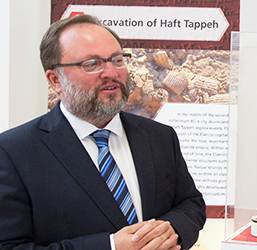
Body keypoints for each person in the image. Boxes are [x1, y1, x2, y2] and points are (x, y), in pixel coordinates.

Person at [0, 14, 206, 250]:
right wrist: (109, 246)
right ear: (55, 79)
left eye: (117, 59)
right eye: (92, 64)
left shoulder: (159, 137)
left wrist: (172, 230)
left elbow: (190, 204)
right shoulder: (13, 152)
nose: (111, 72)